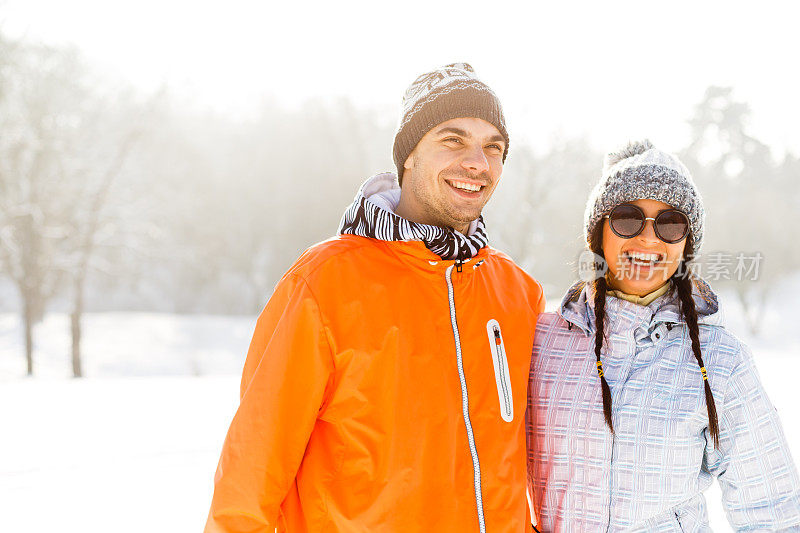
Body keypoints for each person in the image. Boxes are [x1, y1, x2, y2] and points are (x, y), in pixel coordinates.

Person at [205, 63, 545, 533]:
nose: (478, 162)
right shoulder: (325, 281)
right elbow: (252, 473)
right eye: (453, 139)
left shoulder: (517, 293)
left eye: (494, 148)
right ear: (408, 155)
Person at [526, 140, 800, 531]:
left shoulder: (719, 360)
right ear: (598, 233)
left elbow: (772, 509)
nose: (650, 239)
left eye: (670, 223)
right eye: (627, 218)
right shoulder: (543, 343)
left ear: (686, 244)